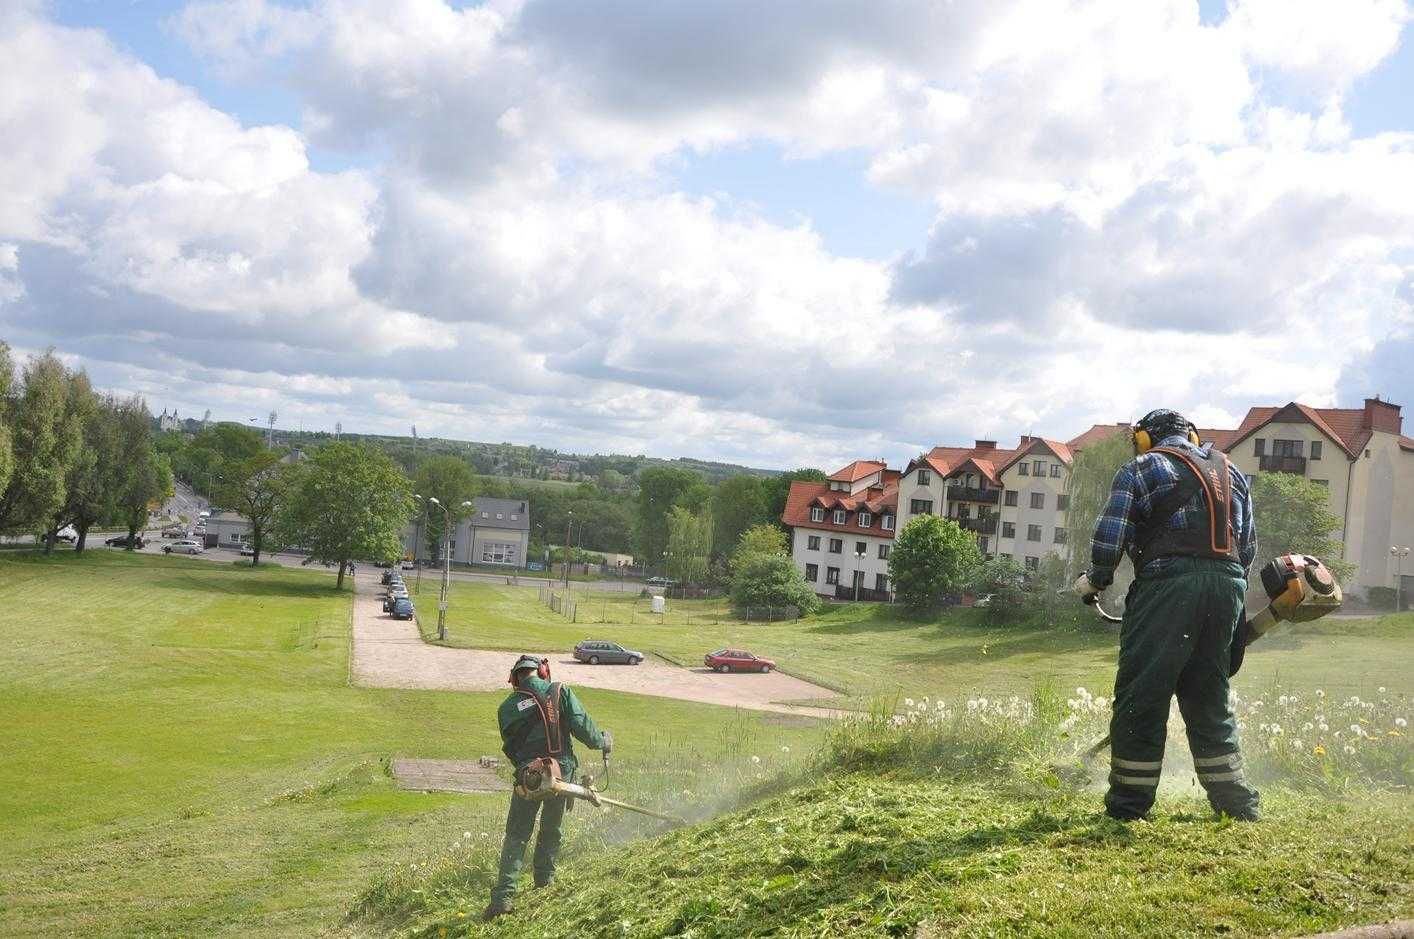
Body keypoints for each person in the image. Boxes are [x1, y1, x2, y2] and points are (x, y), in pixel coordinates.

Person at [1074, 408, 1261, 822]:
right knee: (1208, 696)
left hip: (1168, 588)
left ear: (1144, 438)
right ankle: (1236, 804)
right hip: (1228, 588)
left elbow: (1111, 535)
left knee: (1143, 695)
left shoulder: (1141, 467)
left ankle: (1128, 806)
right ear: (1192, 436)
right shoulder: (1232, 473)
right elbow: (1246, 548)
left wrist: (1095, 581)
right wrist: (1224, 590)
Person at [484, 655, 612, 920]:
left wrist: (526, 768)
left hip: (528, 778)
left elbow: (511, 748)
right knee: (551, 829)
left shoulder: (506, 708)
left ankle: (503, 898)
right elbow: (584, 729)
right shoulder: (559, 691)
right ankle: (544, 880)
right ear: (542, 672)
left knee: (517, 835)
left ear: (514, 679)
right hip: (560, 774)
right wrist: (603, 741)